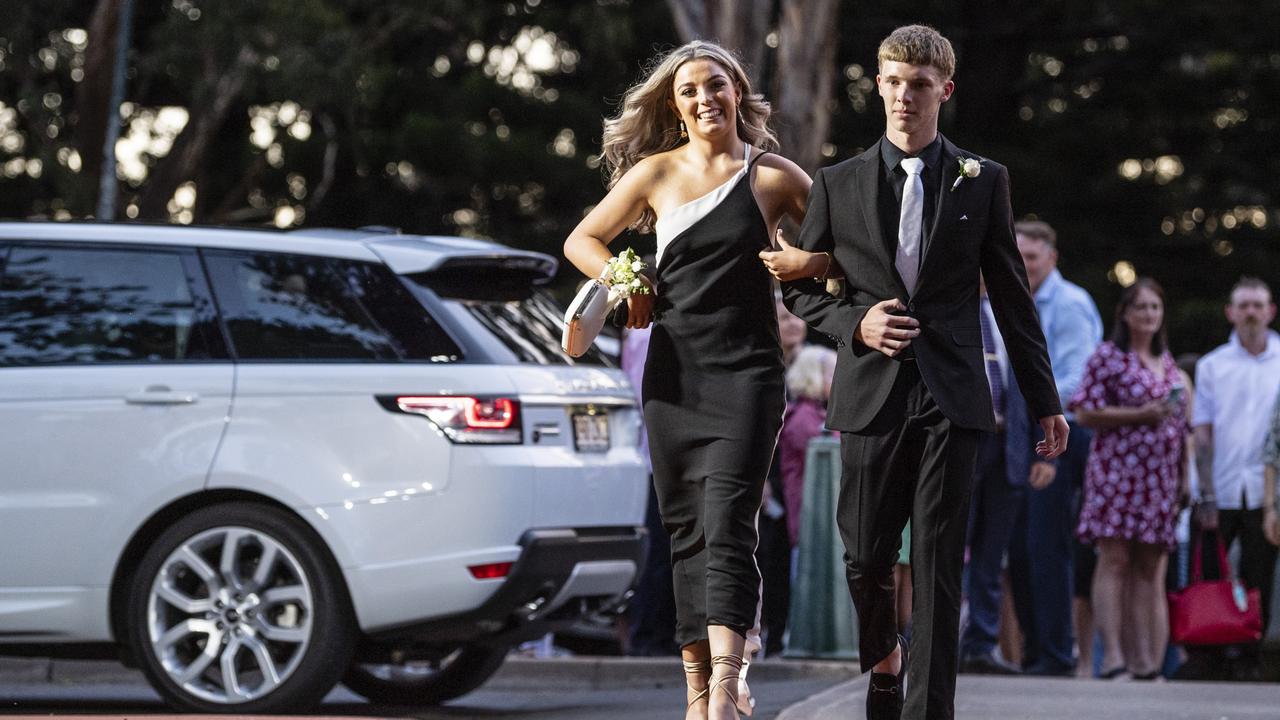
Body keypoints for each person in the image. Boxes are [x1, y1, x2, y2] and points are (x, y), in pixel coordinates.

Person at [781, 24, 1066, 720]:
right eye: (893, 82)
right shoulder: (836, 182)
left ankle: (926, 711)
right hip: (871, 395)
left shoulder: (983, 178)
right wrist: (856, 324)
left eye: (919, 84)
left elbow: (1012, 298)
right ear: (877, 85)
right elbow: (799, 291)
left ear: (945, 88)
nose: (905, 97)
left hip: (953, 398)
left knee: (939, 572)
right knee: (864, 557)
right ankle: (886, 662)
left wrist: (1045, 402)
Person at [562, 40, 814, 720]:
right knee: (686, 532)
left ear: (738, 92)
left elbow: (840, 248)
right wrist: (625, 275)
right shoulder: (654, 174)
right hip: (674, 377)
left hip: (750, 375)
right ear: (675, 107)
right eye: (690, 90)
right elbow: (581, 241)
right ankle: (697, 688)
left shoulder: (774, 178)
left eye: (717, 85)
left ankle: (728, 689)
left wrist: (806, 263)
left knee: (730, 523)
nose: (706, 98)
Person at [1069, 278, 1192, 680]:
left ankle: (1148, 663)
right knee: (1115, 560)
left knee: (1150, 569)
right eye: (1141, 307)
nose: (1149, 315)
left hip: (1160, 479)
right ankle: (1115, 658)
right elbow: (1083, 411)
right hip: (1117, 474)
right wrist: (1139, 415)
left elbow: (1182, 426)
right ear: (1124, 313)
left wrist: (1184, 478)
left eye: (1155, 307)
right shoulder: (1107, 356)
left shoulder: (1168, 362)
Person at [1004, 220, 1103, 677]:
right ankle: (1038, 652)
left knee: (1047, 547)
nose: (1024, 265)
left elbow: (1078, 380)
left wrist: (1025, 403)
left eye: (1032, 258)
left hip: (1061, 431)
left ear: (1052, 258)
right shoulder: (1015, 297)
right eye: (1018, 256)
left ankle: (1057, 654)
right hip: (1026, 429)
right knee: (1021, 548)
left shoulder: (1071, 304)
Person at [1192, 277, 1280, 673]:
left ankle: (1249, 654)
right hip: (1223, 486)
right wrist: (1206, 491)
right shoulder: (1213, 365)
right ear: (1230, 311)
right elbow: (1203, 430)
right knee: (1212, 575)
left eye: (1257, 305)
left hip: (1267, 493)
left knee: (1259, 575)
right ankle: (1210, 652)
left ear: (1270, 311)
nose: (1250, 313)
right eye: (1243, 305)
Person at [958, 284, 1042, 675]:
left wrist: (1039, 447)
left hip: (1008, 448)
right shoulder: (946, 310)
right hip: (961, 445)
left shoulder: (1007, 313)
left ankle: (981, 646)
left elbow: (1032, 379)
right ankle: (939, 642)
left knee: (992, 558)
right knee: (948, 550)